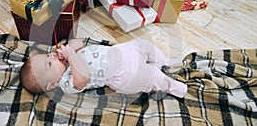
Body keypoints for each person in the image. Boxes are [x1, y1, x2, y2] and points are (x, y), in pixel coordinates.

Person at [20, 38, 187, 98]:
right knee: (151, 76)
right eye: (50, 63)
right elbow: (83, 78)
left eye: (49, 55)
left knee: (143, 45)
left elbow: (79, 43)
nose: (53, 56)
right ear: (52, 84)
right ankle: (174, 87)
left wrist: (70, 47)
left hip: (118, 52)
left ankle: (166, 63)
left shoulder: (66, 58)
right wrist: (70, 56)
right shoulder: (66, 83)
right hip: (121, 74)